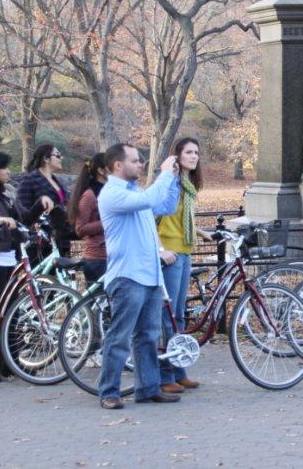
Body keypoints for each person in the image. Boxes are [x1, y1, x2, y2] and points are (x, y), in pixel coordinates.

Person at [96, 144, 181, 410]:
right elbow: (149, 200)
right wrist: (164, 174)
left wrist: (174, 179)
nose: (140, 164)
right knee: (119, 337)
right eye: (135, 160)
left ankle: (148, 389)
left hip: (150, 275)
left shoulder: (136, 192)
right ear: (118, 165)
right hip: (127, 276)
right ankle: (109, 391)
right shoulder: (112, 194)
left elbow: (166, 205)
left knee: (148, 336)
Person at [0, 150, 54, 383]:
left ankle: (11, 363)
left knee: (12, 313)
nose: (8, 171)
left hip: (10, 257)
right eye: (4, 168)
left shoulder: (5, 194)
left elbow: (24, 218)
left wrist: (40, 204)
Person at [156, 138, 213, 394]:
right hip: (171, 253)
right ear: (177, 156)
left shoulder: (188, 186)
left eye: (196, 152)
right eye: (188, 152)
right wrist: (161, 250)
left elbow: (183, 218)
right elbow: (152, 217)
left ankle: (179, 371)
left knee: (179, 314)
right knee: (168, 317)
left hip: (185, 250)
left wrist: (200, 232)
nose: (194, 156)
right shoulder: (171, 183)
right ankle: (165, 375)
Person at [17, 143, 73, 259]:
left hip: (62, 236)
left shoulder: (57, 180)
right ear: (46, 159)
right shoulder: (30, 179)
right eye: (57, 155)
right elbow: (23, 209)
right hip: (41, 240)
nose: (61, 158)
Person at [69, 153, 108, 285]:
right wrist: (109, 222)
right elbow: (80, 228)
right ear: (101, 170)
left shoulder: (108, 191)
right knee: (80, 289)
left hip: (104, 252)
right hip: (87, 251)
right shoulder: (89, 195)